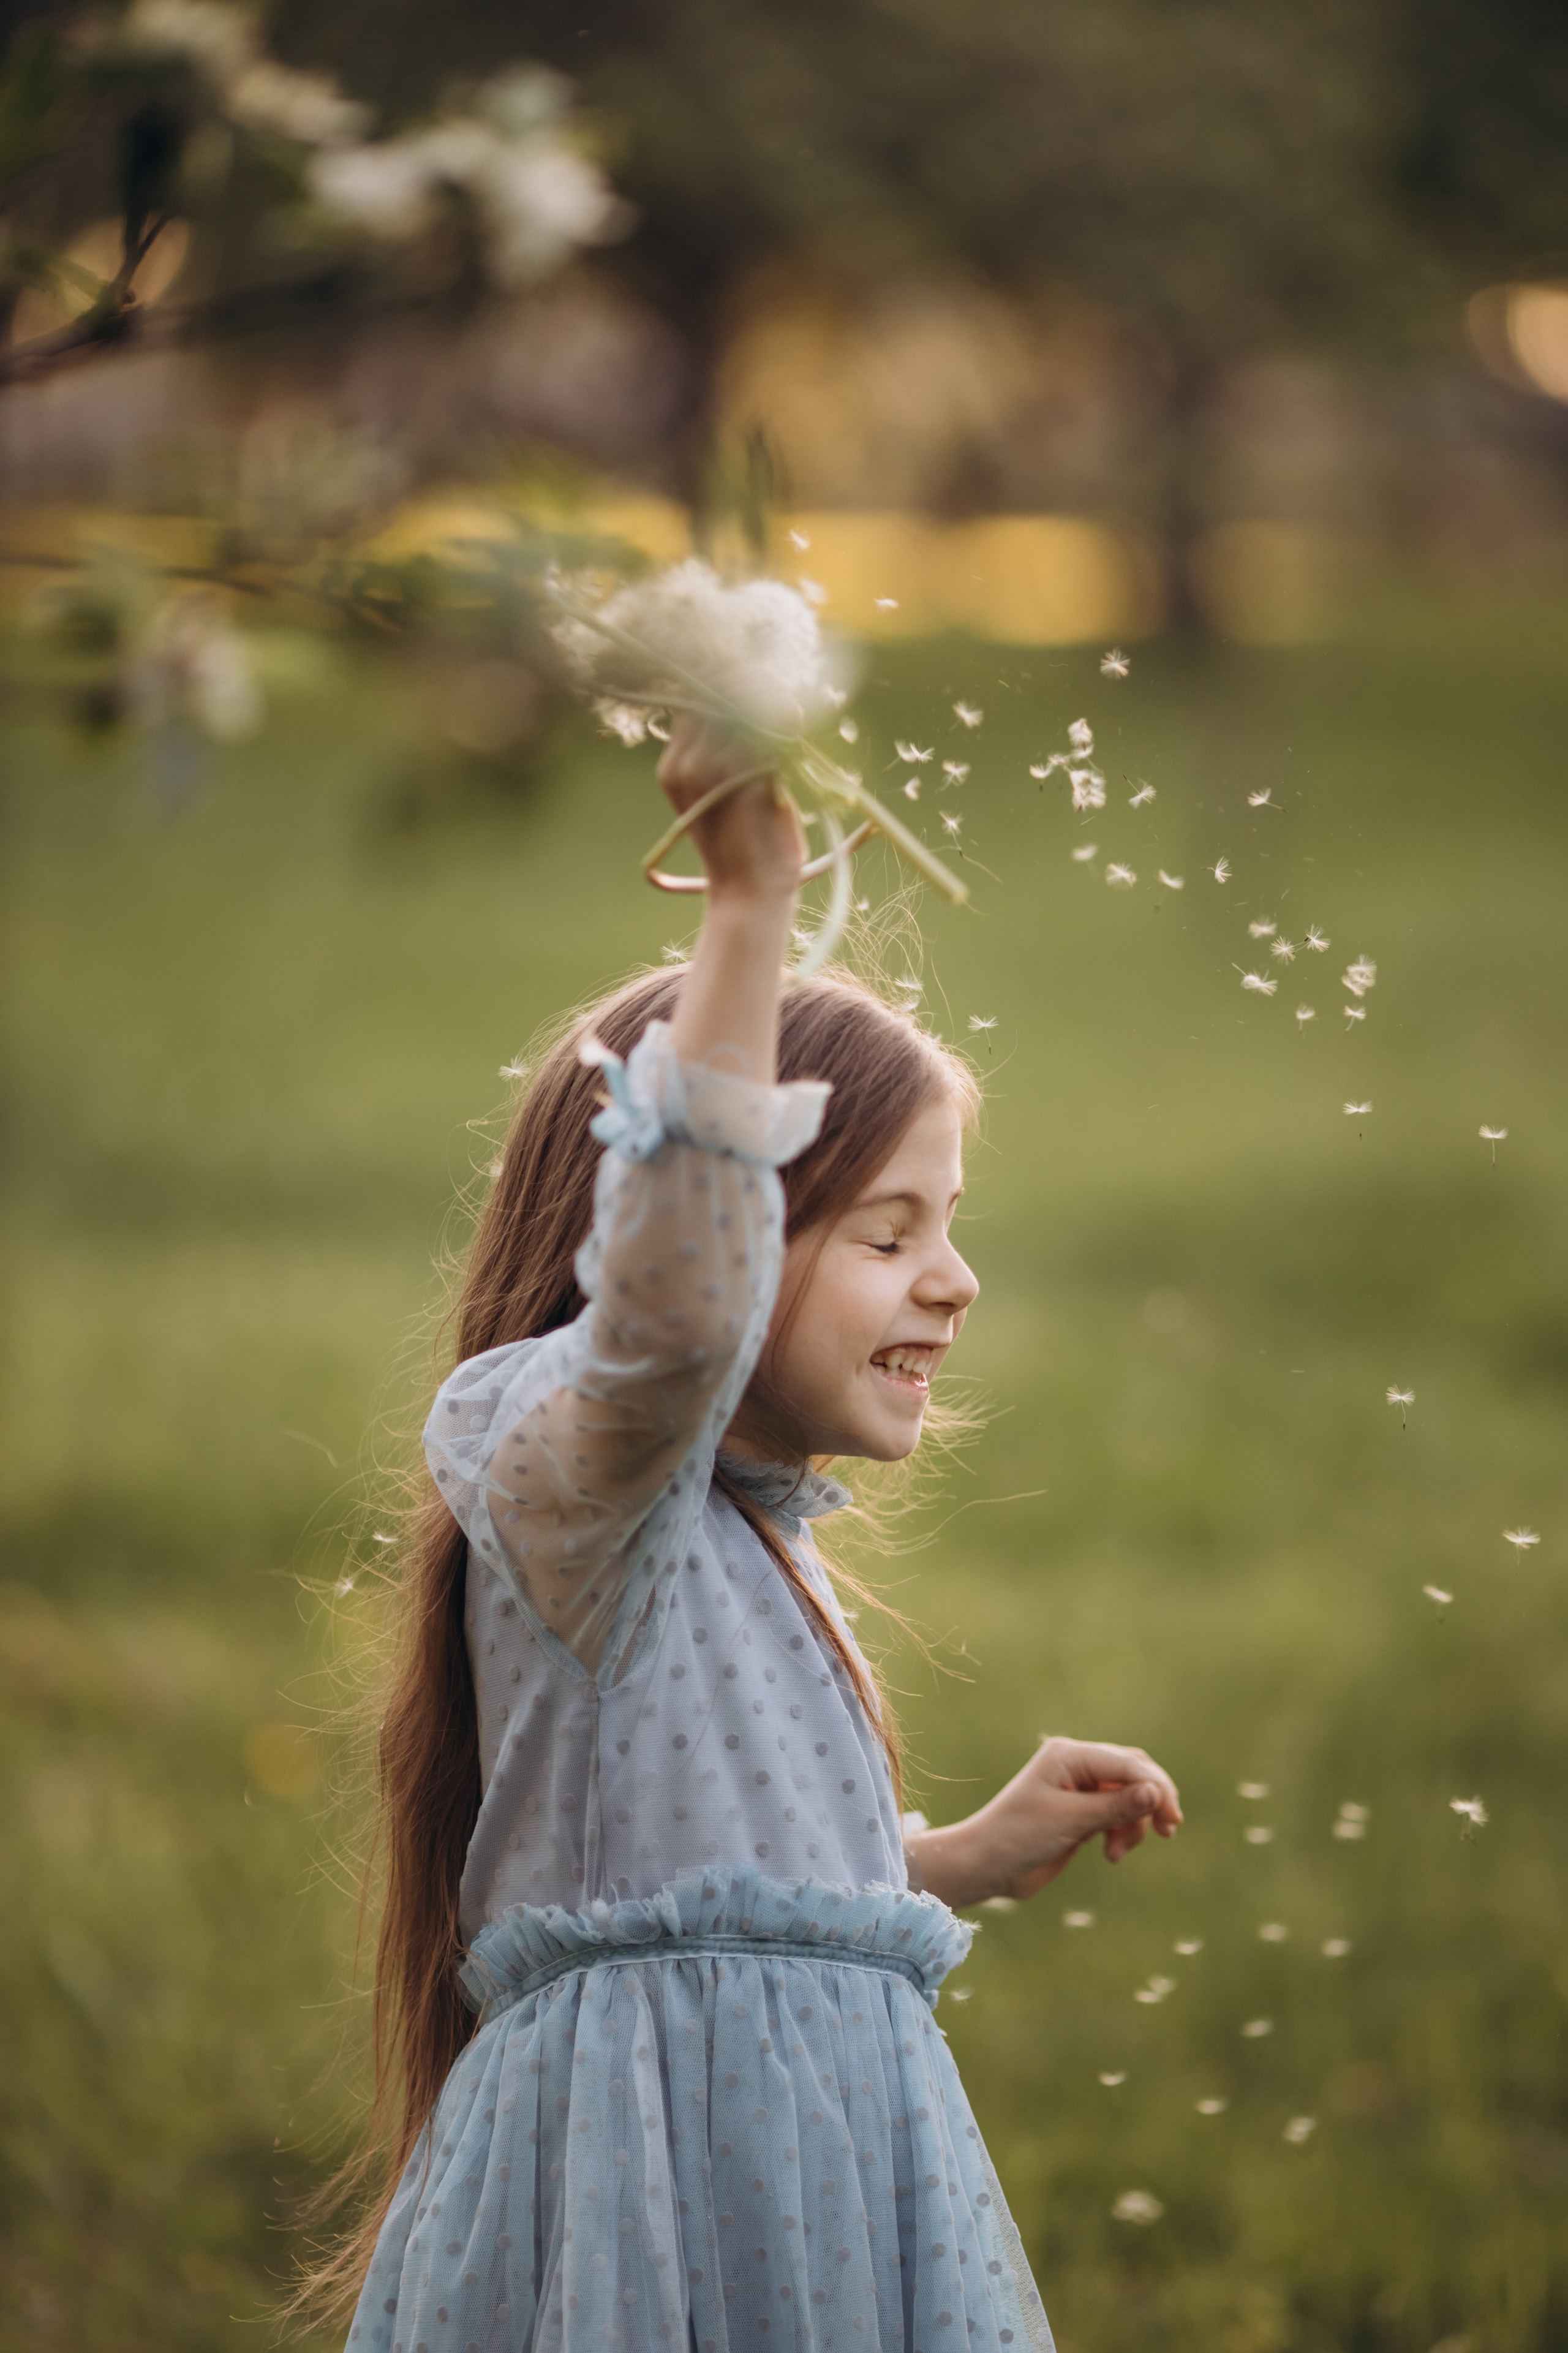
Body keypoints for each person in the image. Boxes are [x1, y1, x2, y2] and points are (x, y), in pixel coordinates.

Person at [339, 720, 1182, 2353]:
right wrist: (749, 909)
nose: (956, 1277)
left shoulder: (734, 1535)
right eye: (888, 1229)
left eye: (949, 1225)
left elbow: (703, 1872)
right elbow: (678, 1308)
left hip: (797, 2184)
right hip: (649, 2202)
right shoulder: (585, 1491)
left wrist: (933, 1859)